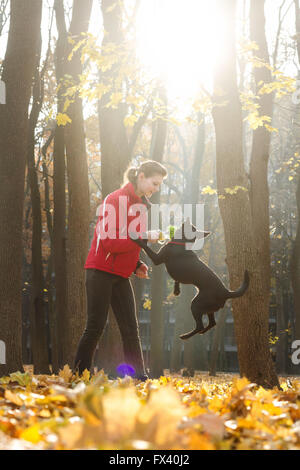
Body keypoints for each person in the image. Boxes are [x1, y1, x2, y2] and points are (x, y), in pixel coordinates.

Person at [74, 160, 168, 380]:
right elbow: (110, 243)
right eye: (154, 183)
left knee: (130, 328)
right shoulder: (115, 200)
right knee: (95, 327)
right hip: (100, 271)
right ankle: (79, 375)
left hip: (121, 274)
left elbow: (130, 241)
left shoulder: (142, 206)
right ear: (141, 176)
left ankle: (139, 376)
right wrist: (146, 237)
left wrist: (137, 264)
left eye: (159, 185)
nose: (156, 188)